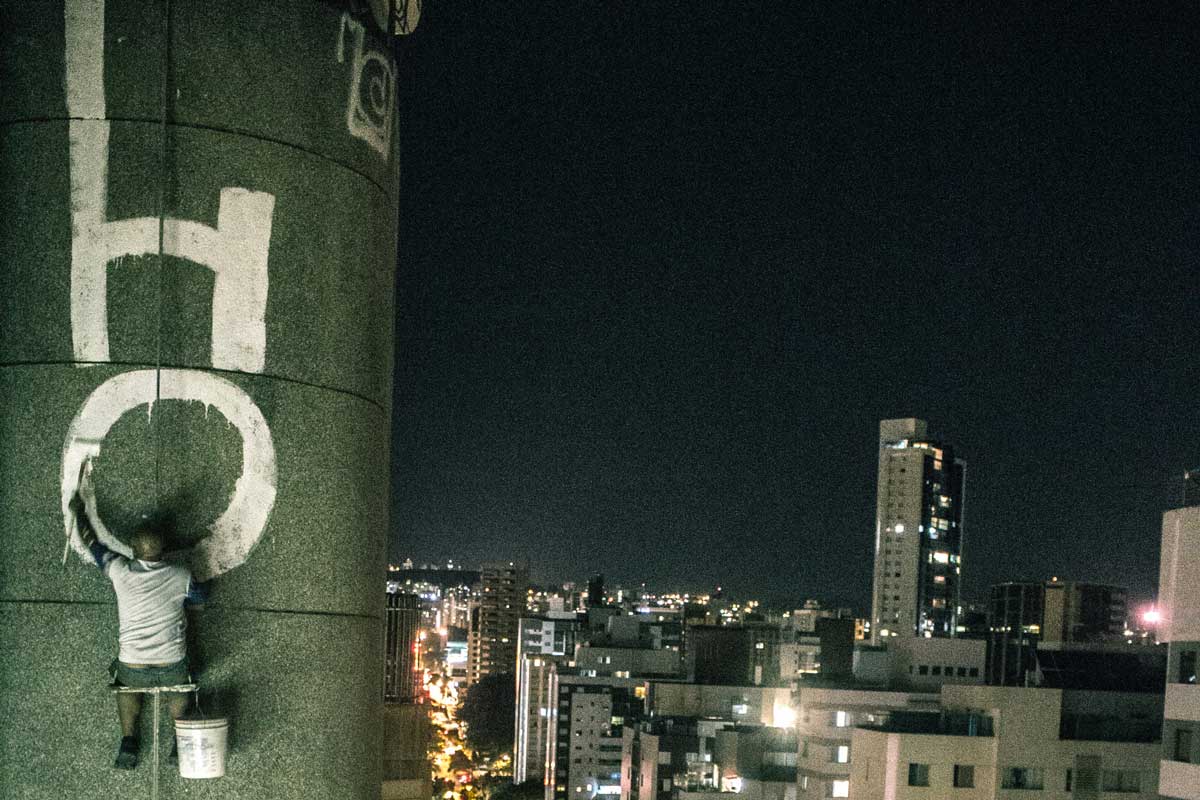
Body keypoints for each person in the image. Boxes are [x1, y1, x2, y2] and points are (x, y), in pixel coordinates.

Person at [69, 461, 207, 770]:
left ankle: (129, 740)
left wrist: (78, 512)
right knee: (180, 684)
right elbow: (201, 596)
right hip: (171, 662)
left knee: (125, 686)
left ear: (133, 550)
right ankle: (179, 737)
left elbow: (93, 544)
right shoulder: (180, 574)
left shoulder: (119, 570)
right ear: (163, 550)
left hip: (133, 662)